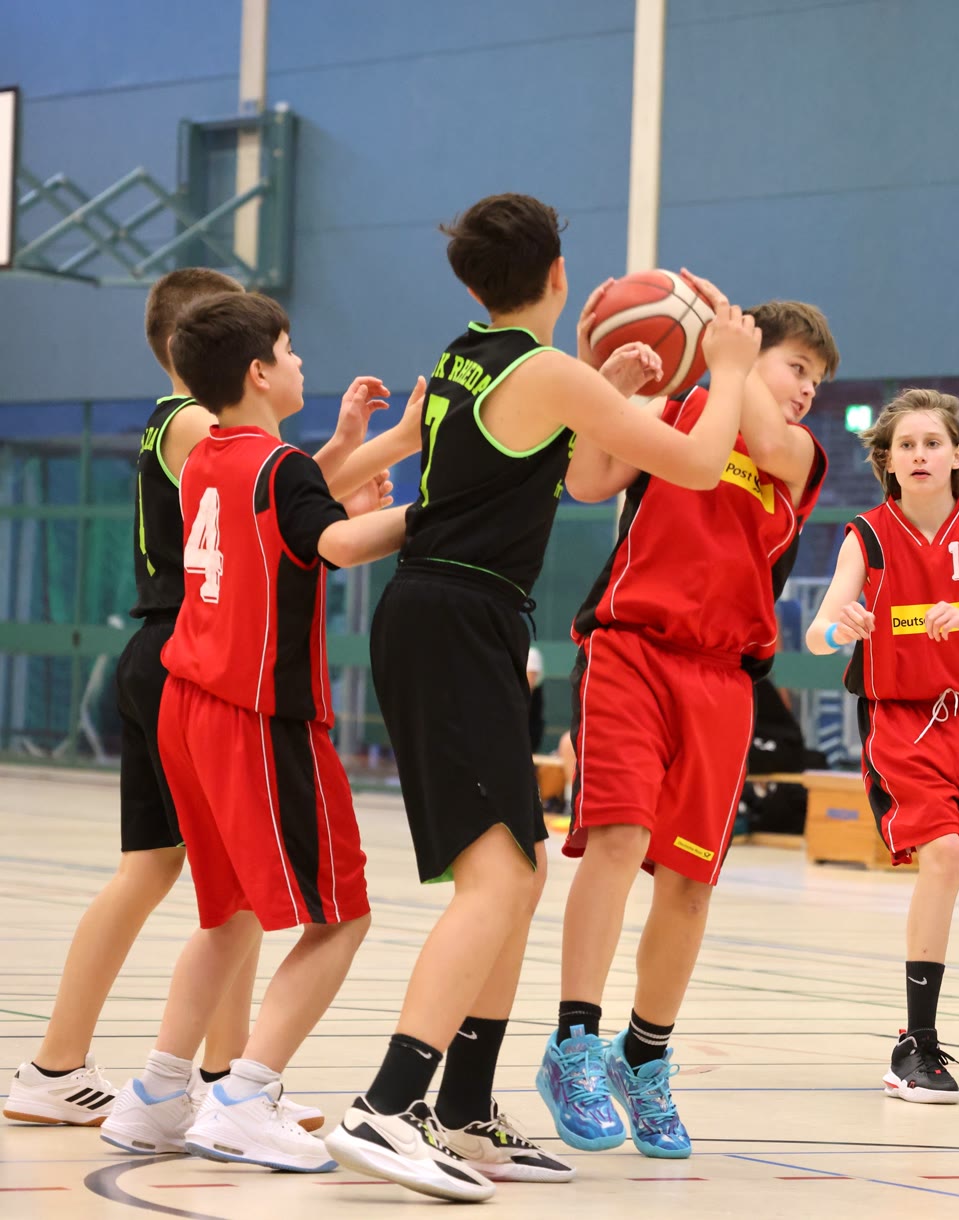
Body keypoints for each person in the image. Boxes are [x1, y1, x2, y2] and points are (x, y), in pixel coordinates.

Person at [322, 193, 765, 1202]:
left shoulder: (466, 360)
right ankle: (388, 1103)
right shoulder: (547, 372)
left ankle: (466, 1108)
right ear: (560, 276)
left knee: (518, 874)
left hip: (457, 618)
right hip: (455, 619)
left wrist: (611, 389)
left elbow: (579, 474)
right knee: (494, 881)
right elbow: (700, 463)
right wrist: (730, 370)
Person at [5, 269, 413, 1130]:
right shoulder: (196, 423)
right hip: (202, 660)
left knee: (222, 894)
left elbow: (284, 502)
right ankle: (110, 1070)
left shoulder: (202, 436)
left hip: (179, 658)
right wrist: (402, 458)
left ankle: (209, 1076)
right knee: (192, 882)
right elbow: (287, 497)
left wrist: (356, 448)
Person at [540, 291, 834, 1159]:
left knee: (690, 883)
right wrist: (608, 386)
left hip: (724, 680)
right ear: (750, 349)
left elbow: (769, 442)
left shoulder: (796, 455)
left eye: (817, 380)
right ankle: (574, 1044)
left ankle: (644, 1055)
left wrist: (729, 364)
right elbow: (587, 480)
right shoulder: (676, 414)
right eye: (797, 367)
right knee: (618, 838)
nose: (807, 389)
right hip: (631, 649)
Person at [805, 388, 959, 1104]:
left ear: (956, 456)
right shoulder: (867, 536)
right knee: (943, 858)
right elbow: (816, 633)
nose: (919, 455)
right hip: (904, 724)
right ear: (887, 462)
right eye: (906, 445)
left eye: (932, 443)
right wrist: (843, 627)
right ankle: (914, 1043)